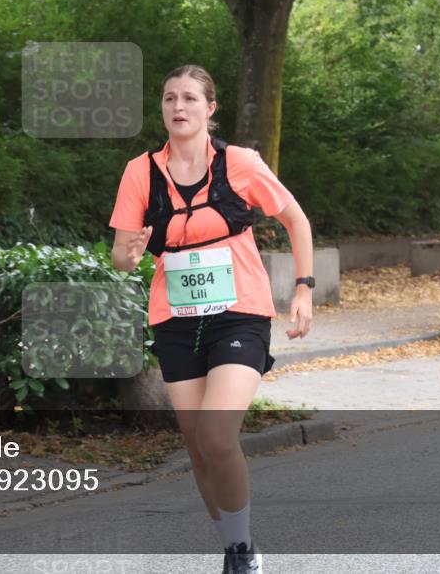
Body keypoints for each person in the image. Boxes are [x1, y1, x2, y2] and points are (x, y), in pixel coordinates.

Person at [109, 64, 313, 574]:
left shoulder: (240, 163)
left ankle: (242, 552)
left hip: (239, 312)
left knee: (218, 436)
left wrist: (303, 290)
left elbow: (296, 219)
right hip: (174, 318)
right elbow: (121, 254)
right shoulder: (141, 171)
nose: (179, 107)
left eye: (190, 99)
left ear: (209, 108)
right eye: (169, 98)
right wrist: (129, 254)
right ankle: (233, 543)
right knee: (199, 447)